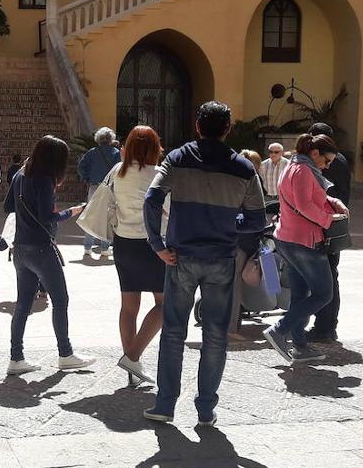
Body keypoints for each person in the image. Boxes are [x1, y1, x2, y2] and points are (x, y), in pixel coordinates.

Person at [142, 101, 267, 427]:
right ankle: (205, 410)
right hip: (222, 258)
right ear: (228, 128)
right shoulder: (243, 167)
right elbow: (257, 220)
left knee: (173, 333)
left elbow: (152, 199)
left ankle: (165, 405)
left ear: (198, 125)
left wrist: (157, 243)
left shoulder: (178, 158)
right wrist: (229, 224)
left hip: (180, 256)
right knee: (215, 335)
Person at [4, 135, 94, 375]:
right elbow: (47, 216)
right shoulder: (44, 180)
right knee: (60, 300)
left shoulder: (20, 175)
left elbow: (8, 207)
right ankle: (65, 354)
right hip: (41, 249)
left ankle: (16, 357)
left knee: (23, 304)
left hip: (20, 248)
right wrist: (70, 212)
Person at [263, 133, 349, 365]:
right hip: (304, 241)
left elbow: (312, 197)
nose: (328, 165)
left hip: (289, 239)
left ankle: (299, 345)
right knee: (323, 294)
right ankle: (279, 330)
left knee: (300, 295)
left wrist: (334, 202)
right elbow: (304, 204)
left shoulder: (294, 166)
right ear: (314, 153)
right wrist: (329, 219)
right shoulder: (302, 171)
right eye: (326, 160)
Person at [106, 125, 168, 385]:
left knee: (128, 308)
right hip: (154, 246)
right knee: (167, 304)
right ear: (155, 148)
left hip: (124, 244)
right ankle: (132, 356)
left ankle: (132, 370)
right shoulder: (160, 174)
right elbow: (169, 209)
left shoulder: (117, 172)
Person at [307, 122, 351, 342]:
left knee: (326, 276)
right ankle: (327, 324)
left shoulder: (320, 162)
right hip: (336, 223)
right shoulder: (341, 159)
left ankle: (324, 326)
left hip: (325, 222)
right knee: (331, 274)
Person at [229, 149, 268, 342]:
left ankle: (232, 323)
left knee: (232, 283)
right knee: (234, 285)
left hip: (239, 240)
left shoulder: (235, 179)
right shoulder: (252, 180)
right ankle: (231, 327)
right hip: (244, 241)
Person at [77, 126, 121, 256]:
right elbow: (119, 171)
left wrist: (86, 178)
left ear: (98, 139)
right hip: (108, 187)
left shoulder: (91, 152)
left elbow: (81, 167)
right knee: (106, 217)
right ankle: (105, 248)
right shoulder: (116, 153)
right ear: (110, 139)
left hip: (94, 186)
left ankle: (87, 246)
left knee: (91, 215)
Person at [258, 143, 291, 216]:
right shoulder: (263, 165)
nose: (273, 154)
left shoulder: (288, 165)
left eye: (276, 152)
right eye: (270, 152)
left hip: (282, 199)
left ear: (282, 153)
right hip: (267, 198)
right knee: (268, 221)